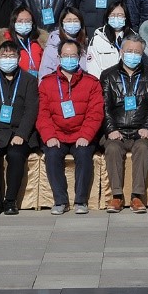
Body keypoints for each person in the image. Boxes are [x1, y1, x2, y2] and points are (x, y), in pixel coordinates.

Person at [37, 39, 104, 214]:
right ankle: (60, 201)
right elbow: (43, 114)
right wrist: (49, 136)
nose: (69, 59)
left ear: (79, 57)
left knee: (84, 154)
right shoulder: (47, 83)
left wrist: (86, 135)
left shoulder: (91, 82)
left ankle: (81, 201)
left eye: (73, 55)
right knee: (52, 155)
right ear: (59, 57)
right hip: (57, 134)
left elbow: (95, 113)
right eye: (65, 55)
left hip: (81, 134)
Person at [101, 33, 148, 213]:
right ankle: (117, 196)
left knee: (142, 148)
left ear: (142, 54)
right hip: (116, 130)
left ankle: (136, 196)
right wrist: (111, 129)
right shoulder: (108, 75)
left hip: (141, 131)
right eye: (129, 51)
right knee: (112, 148)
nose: (133, 55)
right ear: (121, 52)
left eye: (137, 52)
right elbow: (104, 106)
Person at [0, 38, 39, 215]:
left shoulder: (29, 80)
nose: (8, 59)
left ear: (19, 58)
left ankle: (11, 201)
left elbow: (31, 110)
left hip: (19, 132)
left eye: (12, 56)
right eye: (4, 56)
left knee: (16, 155)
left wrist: (22, 134)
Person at [86, 3, 130, 77]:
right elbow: (92, 68)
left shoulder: (134, 38)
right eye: (112, 15)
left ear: (126, 17)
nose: (116, 18)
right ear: (108, 17)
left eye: (120, 15)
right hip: (103, 82)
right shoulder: (97, 39)